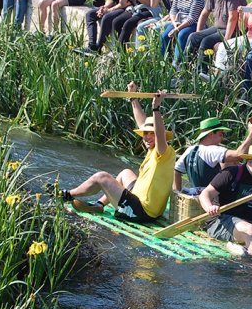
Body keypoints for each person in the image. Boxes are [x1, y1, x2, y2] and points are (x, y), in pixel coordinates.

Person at [61, 82, 175, 222]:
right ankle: (99, 205)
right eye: (145, 134)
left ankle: (66, 194)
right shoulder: (153, 150)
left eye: (151, 134)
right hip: (140, 202)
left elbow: (159, 134)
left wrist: (156, 108)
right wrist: (133, 97)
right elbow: (141, 121)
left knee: (101, 177)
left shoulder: (164, 151)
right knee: (125, 173)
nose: (147, 137)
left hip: (141, 212)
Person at [173, 117, 252, 193]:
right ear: (211, 134)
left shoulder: (190, 150)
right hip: (212, 200)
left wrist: (177, 193)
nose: (222, 138)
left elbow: (176, 171)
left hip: (195, 197)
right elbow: (239, 155)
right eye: (221, 134)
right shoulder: (212, 150)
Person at [186, 0, 247, 76]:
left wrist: (226, 42)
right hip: (218, 27)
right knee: (193, 37)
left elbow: (233, 18)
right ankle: (184, 70)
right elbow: (204, 13)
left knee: (206, 41)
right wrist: (198, 32)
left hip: (235, 29)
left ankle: (202, 73)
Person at [160, 0, 205, 67]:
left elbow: (192, 18)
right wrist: (175, 22)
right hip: (179, 20)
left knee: (181, 35)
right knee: (164, 36)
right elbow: (173, 10)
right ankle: (163, 63)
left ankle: (177, 63)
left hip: (193, 23)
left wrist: (177, 29)